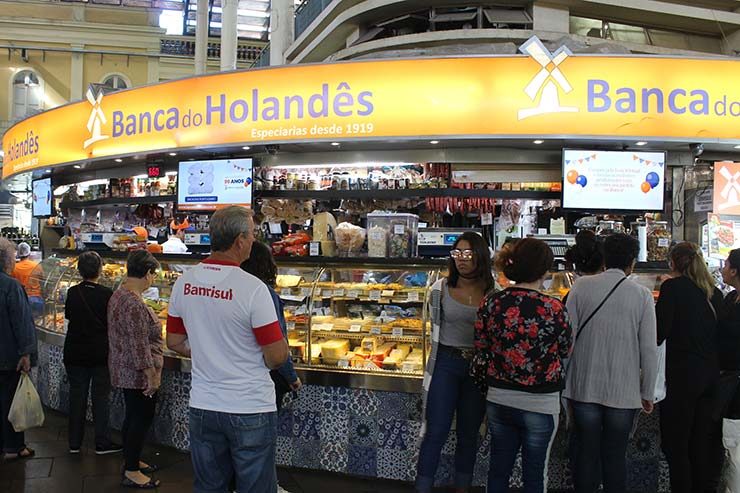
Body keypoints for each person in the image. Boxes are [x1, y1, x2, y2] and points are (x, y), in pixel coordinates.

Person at [166, 206, 288, 493]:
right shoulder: (253, 289)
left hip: (204, 405)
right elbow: (276, 355)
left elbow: (173, 342)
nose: (254, 240)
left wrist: (211, 352)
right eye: (253, 234)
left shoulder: (184, 283)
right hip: (250, 407)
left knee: (209, 487)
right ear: (240, 241)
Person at [473, 237, 572, 493]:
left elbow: (481, 345)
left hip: (499, 397)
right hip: (540, 402)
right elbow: (565, 349)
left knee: (498, 470)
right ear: (544, 270)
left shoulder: (492, 302)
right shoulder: (554, 308)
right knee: (534, 476)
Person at [564, 233, 657, 493]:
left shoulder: (581, 287)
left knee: (586, 454)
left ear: (604, 258)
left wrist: (562, 381)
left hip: (584, 387)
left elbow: (567, 337)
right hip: (623, 392)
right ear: (632, 262)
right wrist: (647, 391)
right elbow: (648, 349)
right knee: (615, 457)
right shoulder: (642, 295)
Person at [416, 232, 494, 493]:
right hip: (446, 363)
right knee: (435, 431)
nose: (461, 259)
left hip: (477, 369)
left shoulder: (495, 292)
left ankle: (463, 488)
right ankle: (422, 487)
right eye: (457, 253)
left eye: (468, 254)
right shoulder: (440, 288)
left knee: (469, 435)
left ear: (480, 256)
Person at [657, 241, 724, 493]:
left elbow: (660, 331)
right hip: (710, 377)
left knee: (677, 445)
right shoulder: (713, 292)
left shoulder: (672, 288)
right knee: (701, 445)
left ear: (673, 263)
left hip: (682, 377)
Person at [241, 241, 302, 493]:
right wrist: (291, 376)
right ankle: (267, 486)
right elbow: (278, 343)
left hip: (235, 380)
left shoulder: (238, 288)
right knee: (262, 439)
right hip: (266, 375)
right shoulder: (264, 292)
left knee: (243, 444)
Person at [108, 250, 164, 489]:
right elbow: (139, 345)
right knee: (140, 419)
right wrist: (151, 376)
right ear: (148, 274)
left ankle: (131, 459)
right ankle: (131, 471)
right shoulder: (132, 303)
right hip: (137, 373)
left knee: (133, 417)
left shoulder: (120, 294)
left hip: (124, 368)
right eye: (153, 274)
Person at [63, 251, 121, 455]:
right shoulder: (107, 294)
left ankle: (74, 443)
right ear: (99, 269)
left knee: (76, 397)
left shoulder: (72, 292)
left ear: (79, 271)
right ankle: (102, 443)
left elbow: (69, 315)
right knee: (100, 399)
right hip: (99, 353)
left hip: (75, 352)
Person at [0, 237, 37, 462]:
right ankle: (14, 446)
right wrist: (26, 353)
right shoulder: (11, 286)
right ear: (6, 261)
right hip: (8, 355)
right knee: (11, 401)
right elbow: (21, 322)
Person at [12, 241, 43, 317]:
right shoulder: (36, 266)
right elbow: (43, 280)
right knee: (37, 323)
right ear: (29, 253)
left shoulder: (13, 268)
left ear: (18, 254)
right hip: (36, 299)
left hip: (20, 299)